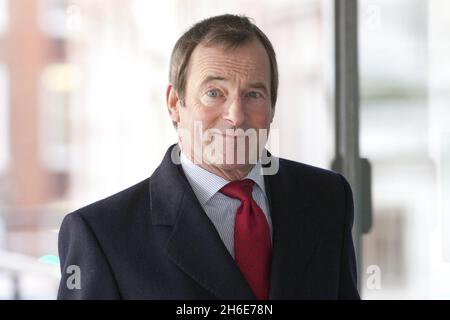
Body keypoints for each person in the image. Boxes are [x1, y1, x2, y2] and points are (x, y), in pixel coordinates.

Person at [57, 14, 360, 300]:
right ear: (175, 103)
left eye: (254, 94)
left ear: (272, 107)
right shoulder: (102, 235)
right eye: (214, 93)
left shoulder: (328, 198)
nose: (236, 116)